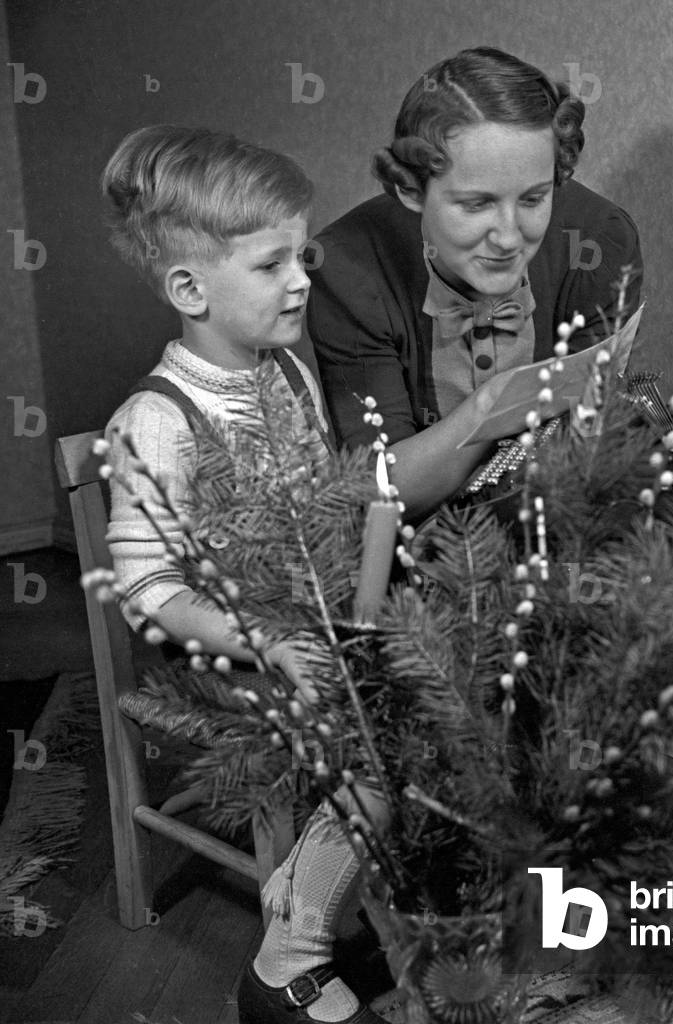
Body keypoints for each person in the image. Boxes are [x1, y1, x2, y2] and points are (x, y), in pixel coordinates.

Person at [100, 125, 386, 1024]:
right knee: (384, 732)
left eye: (303, 256)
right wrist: (270, 639)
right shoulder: (157, 419)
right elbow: (149, 592)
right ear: (191, 288)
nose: (303, 279)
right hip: (219, 655)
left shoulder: (288, 373)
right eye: (272, 266)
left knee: (439, 676)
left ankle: (367, 886)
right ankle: (288, 954)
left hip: (308, 620)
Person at [308, 46, 643, 517]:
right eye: (475, 204)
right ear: (410, 188)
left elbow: (589, 456)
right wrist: (494, 405)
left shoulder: (600, 242)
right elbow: (380, 491)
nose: (508, 237)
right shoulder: (347, 268)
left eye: (533, 198)